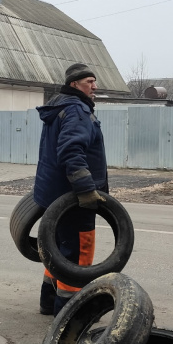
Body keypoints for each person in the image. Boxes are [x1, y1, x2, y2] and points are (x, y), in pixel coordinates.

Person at [33, 63, 108, 316]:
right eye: (89, 81)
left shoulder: (60, 106)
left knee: (58, 251)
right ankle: (70, 315)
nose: (94, 86)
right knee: (78, 255)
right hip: (74, 199)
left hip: (55, 197)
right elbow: (71, 151)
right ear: (74, 84)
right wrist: (86, 190)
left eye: (94, 81)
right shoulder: (76, 109)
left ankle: (48, 301)